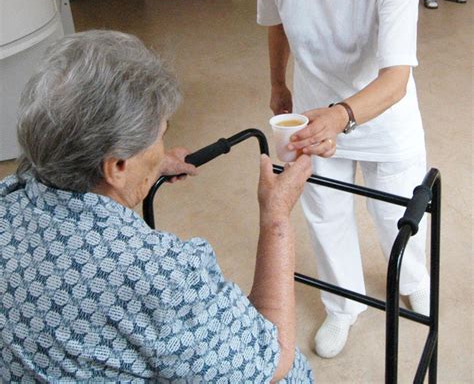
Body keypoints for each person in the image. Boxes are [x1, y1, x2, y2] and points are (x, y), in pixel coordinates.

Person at [0, 30, 314, 382]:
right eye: (160, 134)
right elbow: (268, 362)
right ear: (116, 167)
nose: (163, 143)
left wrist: (147, 167)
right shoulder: (157, 275)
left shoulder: (7, 200)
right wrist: (277, 217)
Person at [257, 0, 431, 359]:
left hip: (382, 116)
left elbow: (396, 78)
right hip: (313, 112)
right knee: (324, 211)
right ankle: (342, 307)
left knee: (396, 213)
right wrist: (277, 83)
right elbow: (276, 23)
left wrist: (342, 115)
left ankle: (413, 279)